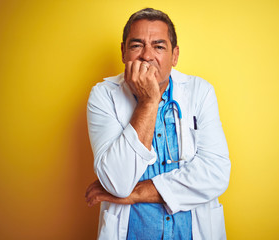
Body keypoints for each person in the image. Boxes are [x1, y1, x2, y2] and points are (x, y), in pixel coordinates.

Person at [85, 8, 231, 240]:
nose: (147, 55)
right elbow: (117, 183)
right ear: (123, 52)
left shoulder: (200, 92)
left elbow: (216, 174)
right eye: (136, 45)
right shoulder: (103, 96)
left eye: (159, 46)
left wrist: (136, 194)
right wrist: (149, 101)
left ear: (175, 55)